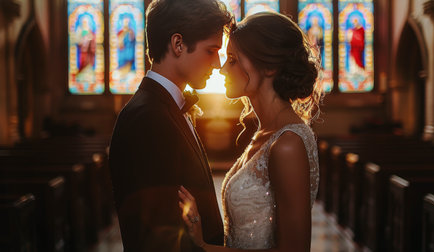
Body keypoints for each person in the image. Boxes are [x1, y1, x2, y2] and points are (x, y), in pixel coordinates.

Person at [178, 12, 322, 251]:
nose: (222, 69)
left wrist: (203, 247)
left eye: (232, 60)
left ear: (268, 68)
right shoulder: (265, 133)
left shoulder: (288, 144)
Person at [108, 0, 233, 251]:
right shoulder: (147, 118)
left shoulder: (165, 106)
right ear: (178, 44)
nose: (217, 63)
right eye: (211, 50)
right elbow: (158, 236)